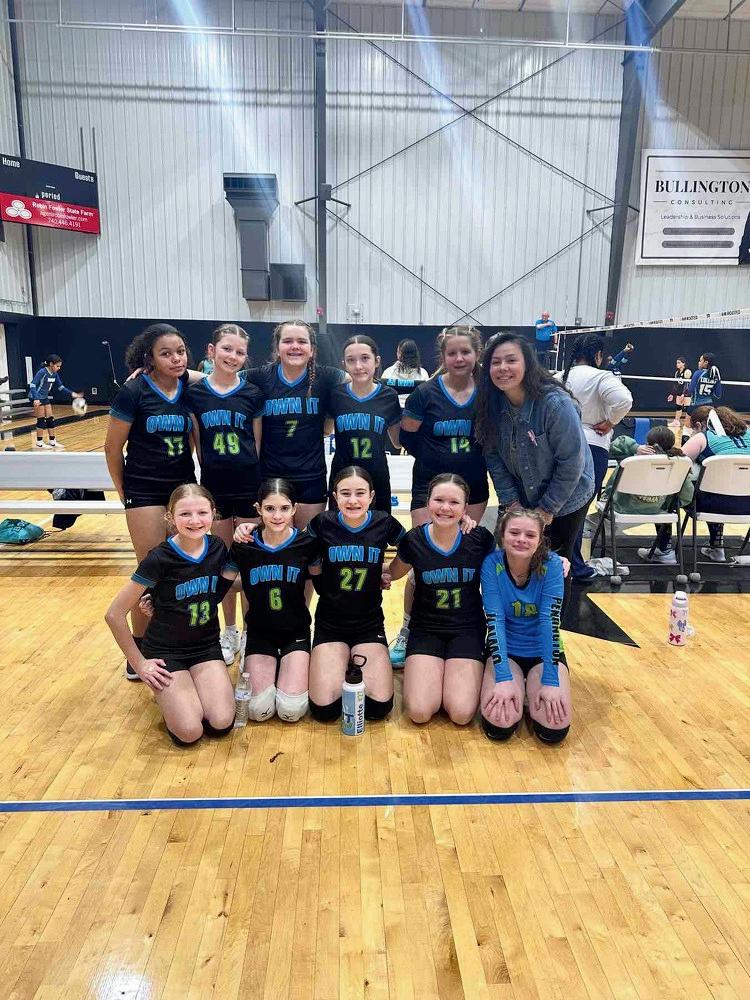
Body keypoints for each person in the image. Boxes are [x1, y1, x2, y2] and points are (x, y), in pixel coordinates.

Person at [104, 485, 236, 746]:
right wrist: (140, 664)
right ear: (170, 517)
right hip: (166, 651)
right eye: (185, 514)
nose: (195, 520)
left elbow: (220, 589)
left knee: (221, 721)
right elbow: (114, 614)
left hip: (205, 646)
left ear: (213, 513)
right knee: (189, 731)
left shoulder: (217, 547)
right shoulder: (159, 558)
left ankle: (187, 691)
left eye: (202, 513)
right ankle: (174, 697)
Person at [390, 326, 488, 665]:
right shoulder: (425, 393)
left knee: (463, 562)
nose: (459, 358)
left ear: (477, 354)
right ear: (443, 356)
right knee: (421, 562)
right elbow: (407, 438)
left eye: (466, 352)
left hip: (473, 489)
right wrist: (437, 459)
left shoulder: (488, 393)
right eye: (452, 353)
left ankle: (461, 632)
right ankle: (408, 628)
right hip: (428, 488)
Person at [475, 332, 594, 610]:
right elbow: (493, 456)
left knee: (553, 564)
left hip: (567, 498)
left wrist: (547, 509)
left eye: (511, 360)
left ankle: (551, 630)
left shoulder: (554, 404)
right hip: (521, 496)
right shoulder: (490, 404)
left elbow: (571, 463)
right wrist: (511, 503)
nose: (503, 368)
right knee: (511, 558)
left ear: (527, 364)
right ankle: (515, 625)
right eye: (495, 362)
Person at [104, 323, 196, 678]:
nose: (175, 359)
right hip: (144, 490)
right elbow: (112, 448)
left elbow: (216, 375)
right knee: (149, 571)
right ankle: (139, 650)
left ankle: (171, 638)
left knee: (179, 568)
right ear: (149, 358)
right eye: (165, 353)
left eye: (180, 352)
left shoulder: (189, 386)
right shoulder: (134, 391)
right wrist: (123, 490)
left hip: (181, 490)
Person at [385, 473, 495, 726]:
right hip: (426, 629)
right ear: (428, 503)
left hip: (467, 629)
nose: (445, 507)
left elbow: (508, 568)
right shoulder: (414, 540)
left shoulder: (479, 539)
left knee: (461, 713)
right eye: (439, 500)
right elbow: (392, 573)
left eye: (454, 502)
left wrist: (555, 562)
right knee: (419, 711)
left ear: (465, 509)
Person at [186, 324, 264, 665]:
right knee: (220, 559)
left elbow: (257, 443)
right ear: (211, 351)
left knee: (247, 559)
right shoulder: (196, 394)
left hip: (248, 484)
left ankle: (249, 632)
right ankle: (228, 630)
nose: (233, 356)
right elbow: (198, 443)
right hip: (214, 487)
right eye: (227, 349)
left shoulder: (252, 394)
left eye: (240, 352)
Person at [306, 466, 405, 722]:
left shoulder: (384, 522)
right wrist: (251, 529)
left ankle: (352, 660)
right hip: (330, 625)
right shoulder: (322, 522)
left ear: (371, 496)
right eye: (345, 493)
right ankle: (341, 660)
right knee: (324, 710)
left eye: (360, 493)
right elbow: (293, 545)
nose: (353, 500)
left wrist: (389, 571)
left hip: (368, 625)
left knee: (378, 708)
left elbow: (415, 546)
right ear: (335, 496)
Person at [230, 479, 320, 722]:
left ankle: (290, 663)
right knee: (258, 710)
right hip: (260, 632)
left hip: (295, 631)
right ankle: (262, 660)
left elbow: (323, 582)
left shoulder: (306, 544)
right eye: (269, 508)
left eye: (284, 508)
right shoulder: (245, 544)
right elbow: (221, 584)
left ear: (294, 509)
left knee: (291, 710)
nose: (277, 516)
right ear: (258, 509)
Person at [243, 321, 345, 529]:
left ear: (312, 349)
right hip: (272, 477)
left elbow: (356, 380)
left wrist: (329, 419)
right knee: (276, 542)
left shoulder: (326, 376)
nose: (295, 346)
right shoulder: (260, 376)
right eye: (288, 341)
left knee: (308, 543)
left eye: (302, 341)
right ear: (277, 347)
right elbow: (220, 379)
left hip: (311, 477)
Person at [480, 508, 570, 743]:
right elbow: (495, 621)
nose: (521, 539)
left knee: (554, 727)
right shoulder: (491, 564)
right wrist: (503, 678)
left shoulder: (552, 565)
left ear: (540, 540)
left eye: (530, 535)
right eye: (514, 533)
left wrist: (551, 681)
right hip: (506, 651)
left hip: (543, 652)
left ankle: (530, 686)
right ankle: (520, 685)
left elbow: (550, 622)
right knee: (500, 723)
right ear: (502, 535)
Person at [562, 334, 633, 581]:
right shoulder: (602, 377)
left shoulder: (560, 376)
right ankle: (575, 566)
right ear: (598, 355)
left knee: (559, 507)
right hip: (592, 446)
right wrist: (611, 421)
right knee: (579, 508)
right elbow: (624, 400)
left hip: (560, 446)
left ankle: (562, 562)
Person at [592, 425, 694, 566]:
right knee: (669, 507)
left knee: (587, 525)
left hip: (621, 508)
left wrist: (635, 448)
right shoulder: (679, 463)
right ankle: (665, 550)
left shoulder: (633, 460)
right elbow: (687, 496)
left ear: (647, 443)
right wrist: (666, 503)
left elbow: (615, 444)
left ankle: (585, 553)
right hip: (656, 510)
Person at [329, 336, 402, 513]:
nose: (358, 366)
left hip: (376, 478)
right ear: (344, 365)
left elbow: (397, 442)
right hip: (342, 477)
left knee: (378, 528)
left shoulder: (389, 396)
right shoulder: (335, 395)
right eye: (351, 360)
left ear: (377, 361)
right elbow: (325, 429)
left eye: (365, 358)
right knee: (338, 528)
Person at [679, 405, 750, 562]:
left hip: (713, 505)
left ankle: (664, 548)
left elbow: (678, 464)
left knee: (682, 487)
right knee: (724, 488)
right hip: (748, 506)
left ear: (700, 425)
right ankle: (716, 546)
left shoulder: (702, 437)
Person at [28, 353, 85, 449]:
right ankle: (39, 442)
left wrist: (73, 394)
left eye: (59, 366)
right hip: (36, 397)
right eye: (57, 366)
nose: (59, 368)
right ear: (51, 364)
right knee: (41, 419)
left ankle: (52, 441)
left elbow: (61, 387)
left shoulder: (55, 374)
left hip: (44, 397)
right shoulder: (42, 372)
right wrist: (36, 398)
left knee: (50, 418)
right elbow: (32, 384)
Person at [381, 339, 429, 408]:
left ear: (399, 354)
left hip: (397, 410)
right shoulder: (423, 373)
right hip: (402, 410)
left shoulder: (388, 372)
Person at [667, 357, 692, 428]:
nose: (677, 364)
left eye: (679, 363)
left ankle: (688, 423)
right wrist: (672, 394)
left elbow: (687, 384)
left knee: (687, 408)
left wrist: (684, 394)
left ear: (683, 364)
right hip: (679, 392)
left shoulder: (687, 371)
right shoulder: (677, 372)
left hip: (687, 393)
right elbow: (676, 385)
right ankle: (676, 422)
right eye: (677, 363)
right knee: (678, 407)